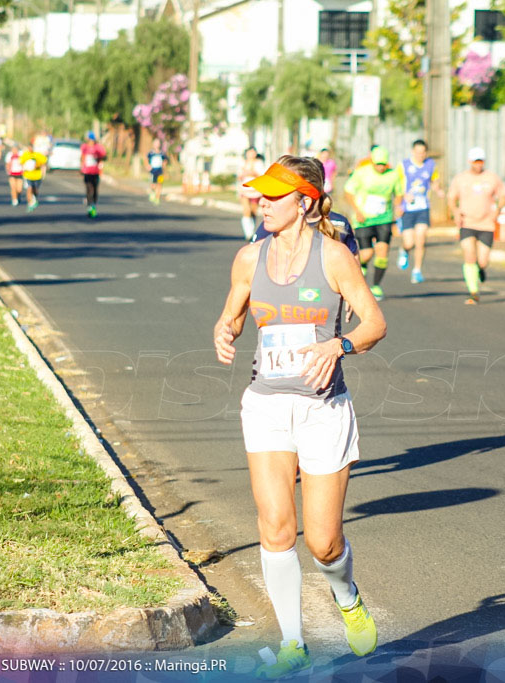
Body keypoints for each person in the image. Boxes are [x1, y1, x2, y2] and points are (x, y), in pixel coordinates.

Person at [213, 156, 386, 679]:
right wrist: (223, 331)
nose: (261, 202)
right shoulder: (248, 258)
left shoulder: (334, 258)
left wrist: (338, 344)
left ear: (305, 202)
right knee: (275, 526)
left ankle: (346, 594)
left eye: (273, 195)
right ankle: (293, 643)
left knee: (323, 541)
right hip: (265, 402)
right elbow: (232, 315)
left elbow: (375, 322)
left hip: (322, 409)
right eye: (259, 195)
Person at [447, 146, 505, 304]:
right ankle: (473, 292)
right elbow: (451, 198)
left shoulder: (492, 178)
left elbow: (502, 196)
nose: (478, 164)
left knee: (482, 260)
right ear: (469, 161)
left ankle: (480, 270)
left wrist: (498, 210)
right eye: (475, 161)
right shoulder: (461, 179)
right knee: (469, 255)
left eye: (481, 161)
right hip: (467, 222)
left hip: (486, 224)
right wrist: (455, 211)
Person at [343, 146, 405, 302]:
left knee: (383, 251)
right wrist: (357, 211)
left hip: (384, 218)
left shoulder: (393, 175)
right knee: (367, 253)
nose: (381, 167)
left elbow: (398, 193)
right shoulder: (362, 173)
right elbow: (348, 191)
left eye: (384, 164)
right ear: (372, 162)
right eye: (378, 164)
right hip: (364, 219)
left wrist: (398, 207)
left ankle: (376, 286)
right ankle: (359, 265)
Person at [395, 139, 442, 284]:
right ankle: (404, 250)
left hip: (423, 207)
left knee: (421, 239)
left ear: (426, 152)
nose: (420, 155)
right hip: (408, 209)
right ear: (412, 151)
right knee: (409, 242)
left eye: (423, 152)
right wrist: (401, 199)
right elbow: (396, 186)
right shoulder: (403, 166)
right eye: (417, 152)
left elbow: (434, 181)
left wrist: (438, 190)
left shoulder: (430, 165)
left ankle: (417, 270)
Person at [237, 147, 266, 239]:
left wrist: (253, 173)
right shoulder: (242, 163)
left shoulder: (259, 163)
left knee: (253, 212)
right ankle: (248, 233)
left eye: (253, 152)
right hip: (244, 191)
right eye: (250, 152)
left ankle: (252, 230)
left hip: (256, 191)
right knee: (246, 211)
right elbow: (239, 177)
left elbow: (262, 176)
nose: (251, 154)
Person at [80, 131, 107, 218]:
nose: (90, 141)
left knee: (95, 190)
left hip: (95, 172)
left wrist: (101, 169)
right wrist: (82, 167)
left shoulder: (98, 148)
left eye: (92, 140)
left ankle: (93, 205)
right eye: (89, 139)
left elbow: (102, 158)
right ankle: (89, 207)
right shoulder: (84, 147)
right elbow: (83, 157)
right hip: (87, 171)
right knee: (88, 189)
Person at [20, 143, 48, 212]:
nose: (30, 149)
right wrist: (25, 168)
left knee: (35, 190)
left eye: (31, 148)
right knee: (29, 188)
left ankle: (34, 198)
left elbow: (44, 162)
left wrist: (38, 166)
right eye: (28, 148)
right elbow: (21, 162)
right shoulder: (25, 155)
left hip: (37, 176)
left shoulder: (38, 155)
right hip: (28, 175)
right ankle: (29, 204)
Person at [146, 139, 166, 205]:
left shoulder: (162, 153)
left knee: (159, 184)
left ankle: (157, 198)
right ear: (153, 144)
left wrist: (164, 166)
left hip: (160, 171)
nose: (157, 144)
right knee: (153, 185)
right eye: (155, 143)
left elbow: (165, 160)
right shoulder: (151, 153)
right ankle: (153, 193)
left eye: (158, 143)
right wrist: (148, 166)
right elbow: (146, 159)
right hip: (153, 171)